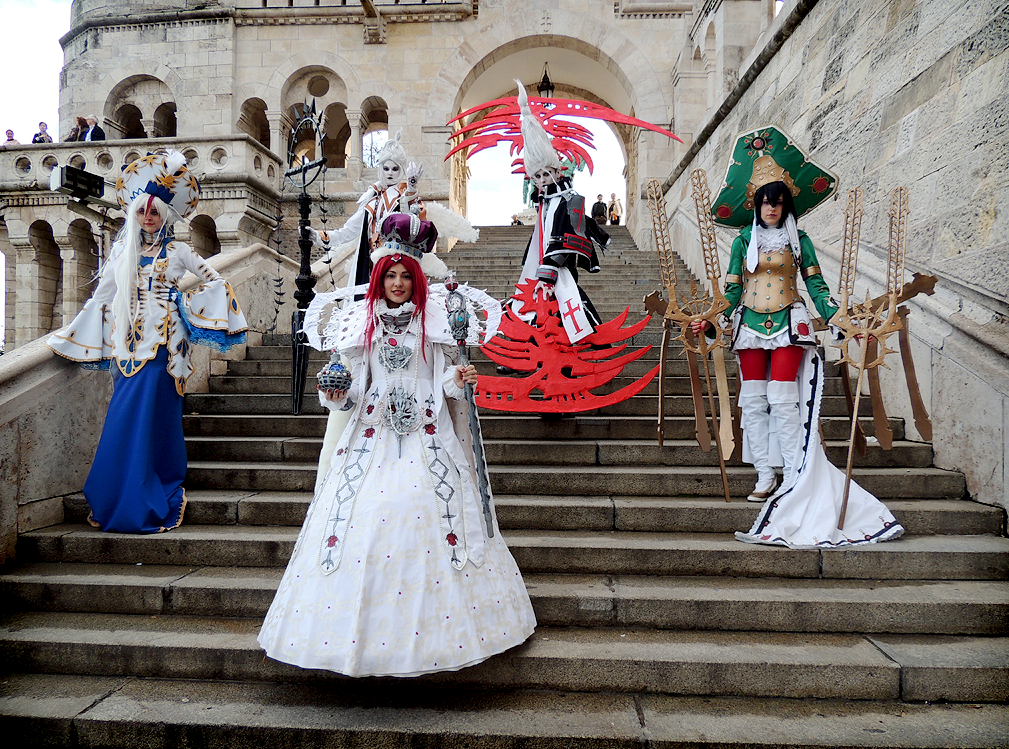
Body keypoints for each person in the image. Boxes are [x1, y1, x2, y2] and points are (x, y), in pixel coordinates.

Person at [259, 212, 536, 677]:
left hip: (428, 441)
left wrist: (458, 378)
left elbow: (441, 382)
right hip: (372, 442)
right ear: (380, 278)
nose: (398, 283)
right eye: (390, 274)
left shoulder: (437, 325)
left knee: (421, 511)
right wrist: (335, 391)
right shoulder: (358, 327)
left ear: (417, 279)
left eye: (406, 275)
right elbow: (350, 388)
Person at [695, 126, 903, 548]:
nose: (771, 208)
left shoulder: (800, 240)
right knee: (752, 400)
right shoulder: (742, 241)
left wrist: (838, 317)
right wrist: (711, 317)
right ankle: (765, 475)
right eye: (765, 202)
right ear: (756, 205)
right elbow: (732, 290)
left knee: (783, 399)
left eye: (777, 202)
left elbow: (817, 286)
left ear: (785, 204)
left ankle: (792, 474)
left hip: (790, 322)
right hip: (750, 326)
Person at [47, 150, 248, 533]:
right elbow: (102, 298)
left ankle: (150, 491)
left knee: (155, 420)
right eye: (142, 211)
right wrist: (70, 335)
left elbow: (217, 282)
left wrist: (183, 304)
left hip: (165, 351)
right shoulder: (122, 251)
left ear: (166, 215)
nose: (148, 217)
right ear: (135, 213)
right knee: (123, 417)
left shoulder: (179, 251)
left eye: (155, 212)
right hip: (127, 349)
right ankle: (115, 495)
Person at [506, 81, 610, 351]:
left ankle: (570, 353)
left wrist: (549, 269)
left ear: (556, 170)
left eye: (545, 174)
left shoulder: (568, 199)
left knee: (565, 301)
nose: (541, 180)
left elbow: (568, 232)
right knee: (531, 304)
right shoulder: (544, 201)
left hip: (558, 265)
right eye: (536, 176)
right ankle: (527, 350)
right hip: (538, 263)